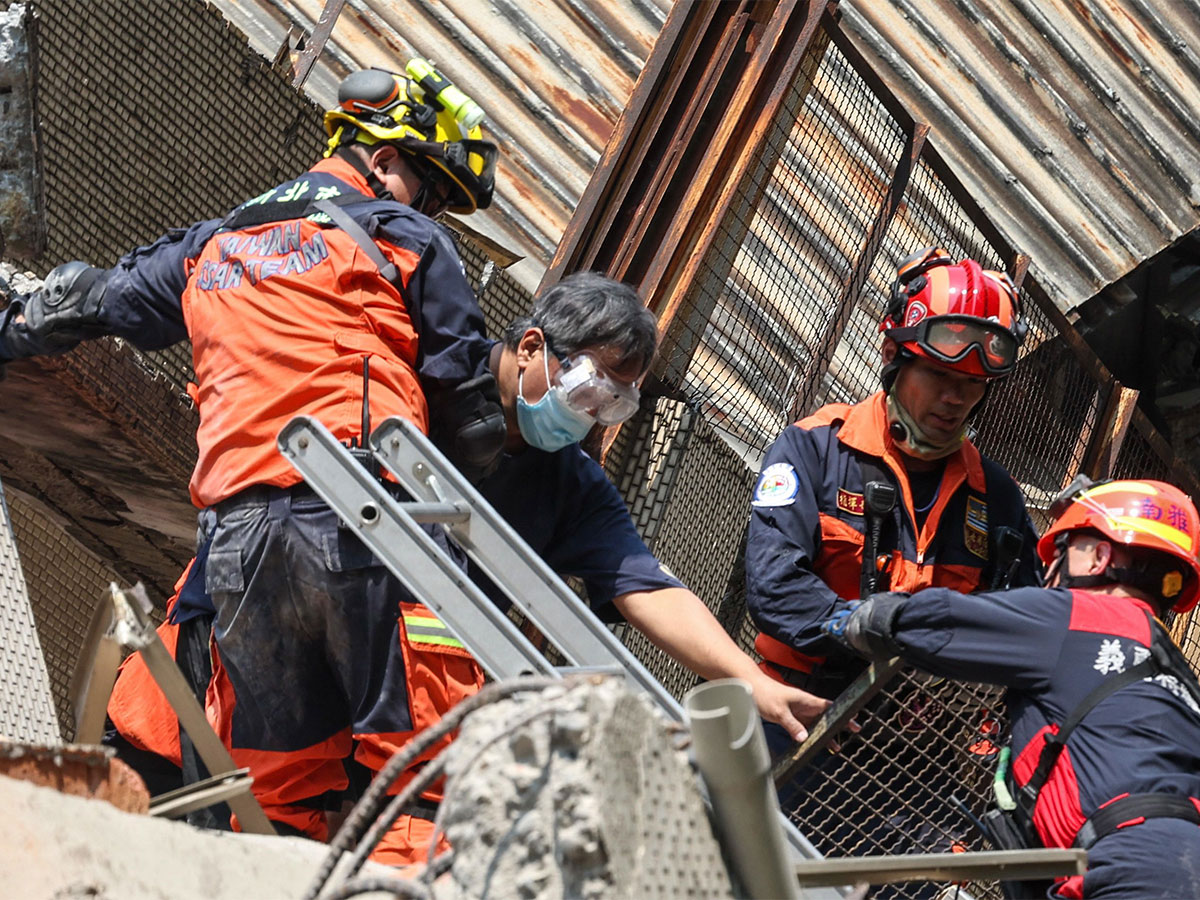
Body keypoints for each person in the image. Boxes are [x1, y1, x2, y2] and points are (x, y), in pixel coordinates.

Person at [76, 272, 834, 863]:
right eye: (589, 391)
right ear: (533, 348)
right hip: (231, 672)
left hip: (353, 739)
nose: (591, 419)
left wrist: (751, 679)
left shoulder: (569, 483)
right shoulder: (412, 386)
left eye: (613, 407)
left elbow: (645, 585)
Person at [0, 63, 508, 857]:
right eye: (430, 187)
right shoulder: (403, 235)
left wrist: (11, 326)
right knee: (419, 778)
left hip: (238, 542)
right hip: (367, 514)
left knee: (274, 790)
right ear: (381, 160)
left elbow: (89, 301)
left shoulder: (218, 239)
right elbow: (471, 418)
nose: (434, 208)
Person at [825, 477, 1200, 899]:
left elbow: (931, 623)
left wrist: (855, 619)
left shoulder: (1076, 616)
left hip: (1128, 868)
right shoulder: (1179, 677)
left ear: (1098, 557)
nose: (1051, 571)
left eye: (1064, 550)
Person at [745, 246, 1042, 709]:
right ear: (892, 355)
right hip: (798, 709)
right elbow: (773, 587)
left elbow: (1029, 625)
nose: (954, 398)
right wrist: (862, 628)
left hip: (914, 749)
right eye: (939, 374)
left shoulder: (996, 495)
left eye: (972, 383)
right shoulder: (816, 449)